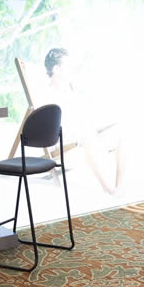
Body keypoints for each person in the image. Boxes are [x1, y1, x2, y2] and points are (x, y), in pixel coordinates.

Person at [44, 48, 125, 195]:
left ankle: (119, 187)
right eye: (67, 66)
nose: (70, 70)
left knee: (119, 130)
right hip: (62, 138)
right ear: (56, 69)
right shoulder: (47, 94)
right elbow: (51, 125)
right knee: (85, 134)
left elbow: (81, 115)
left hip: (78, 131)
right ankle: (107, 188)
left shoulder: (68, 92)